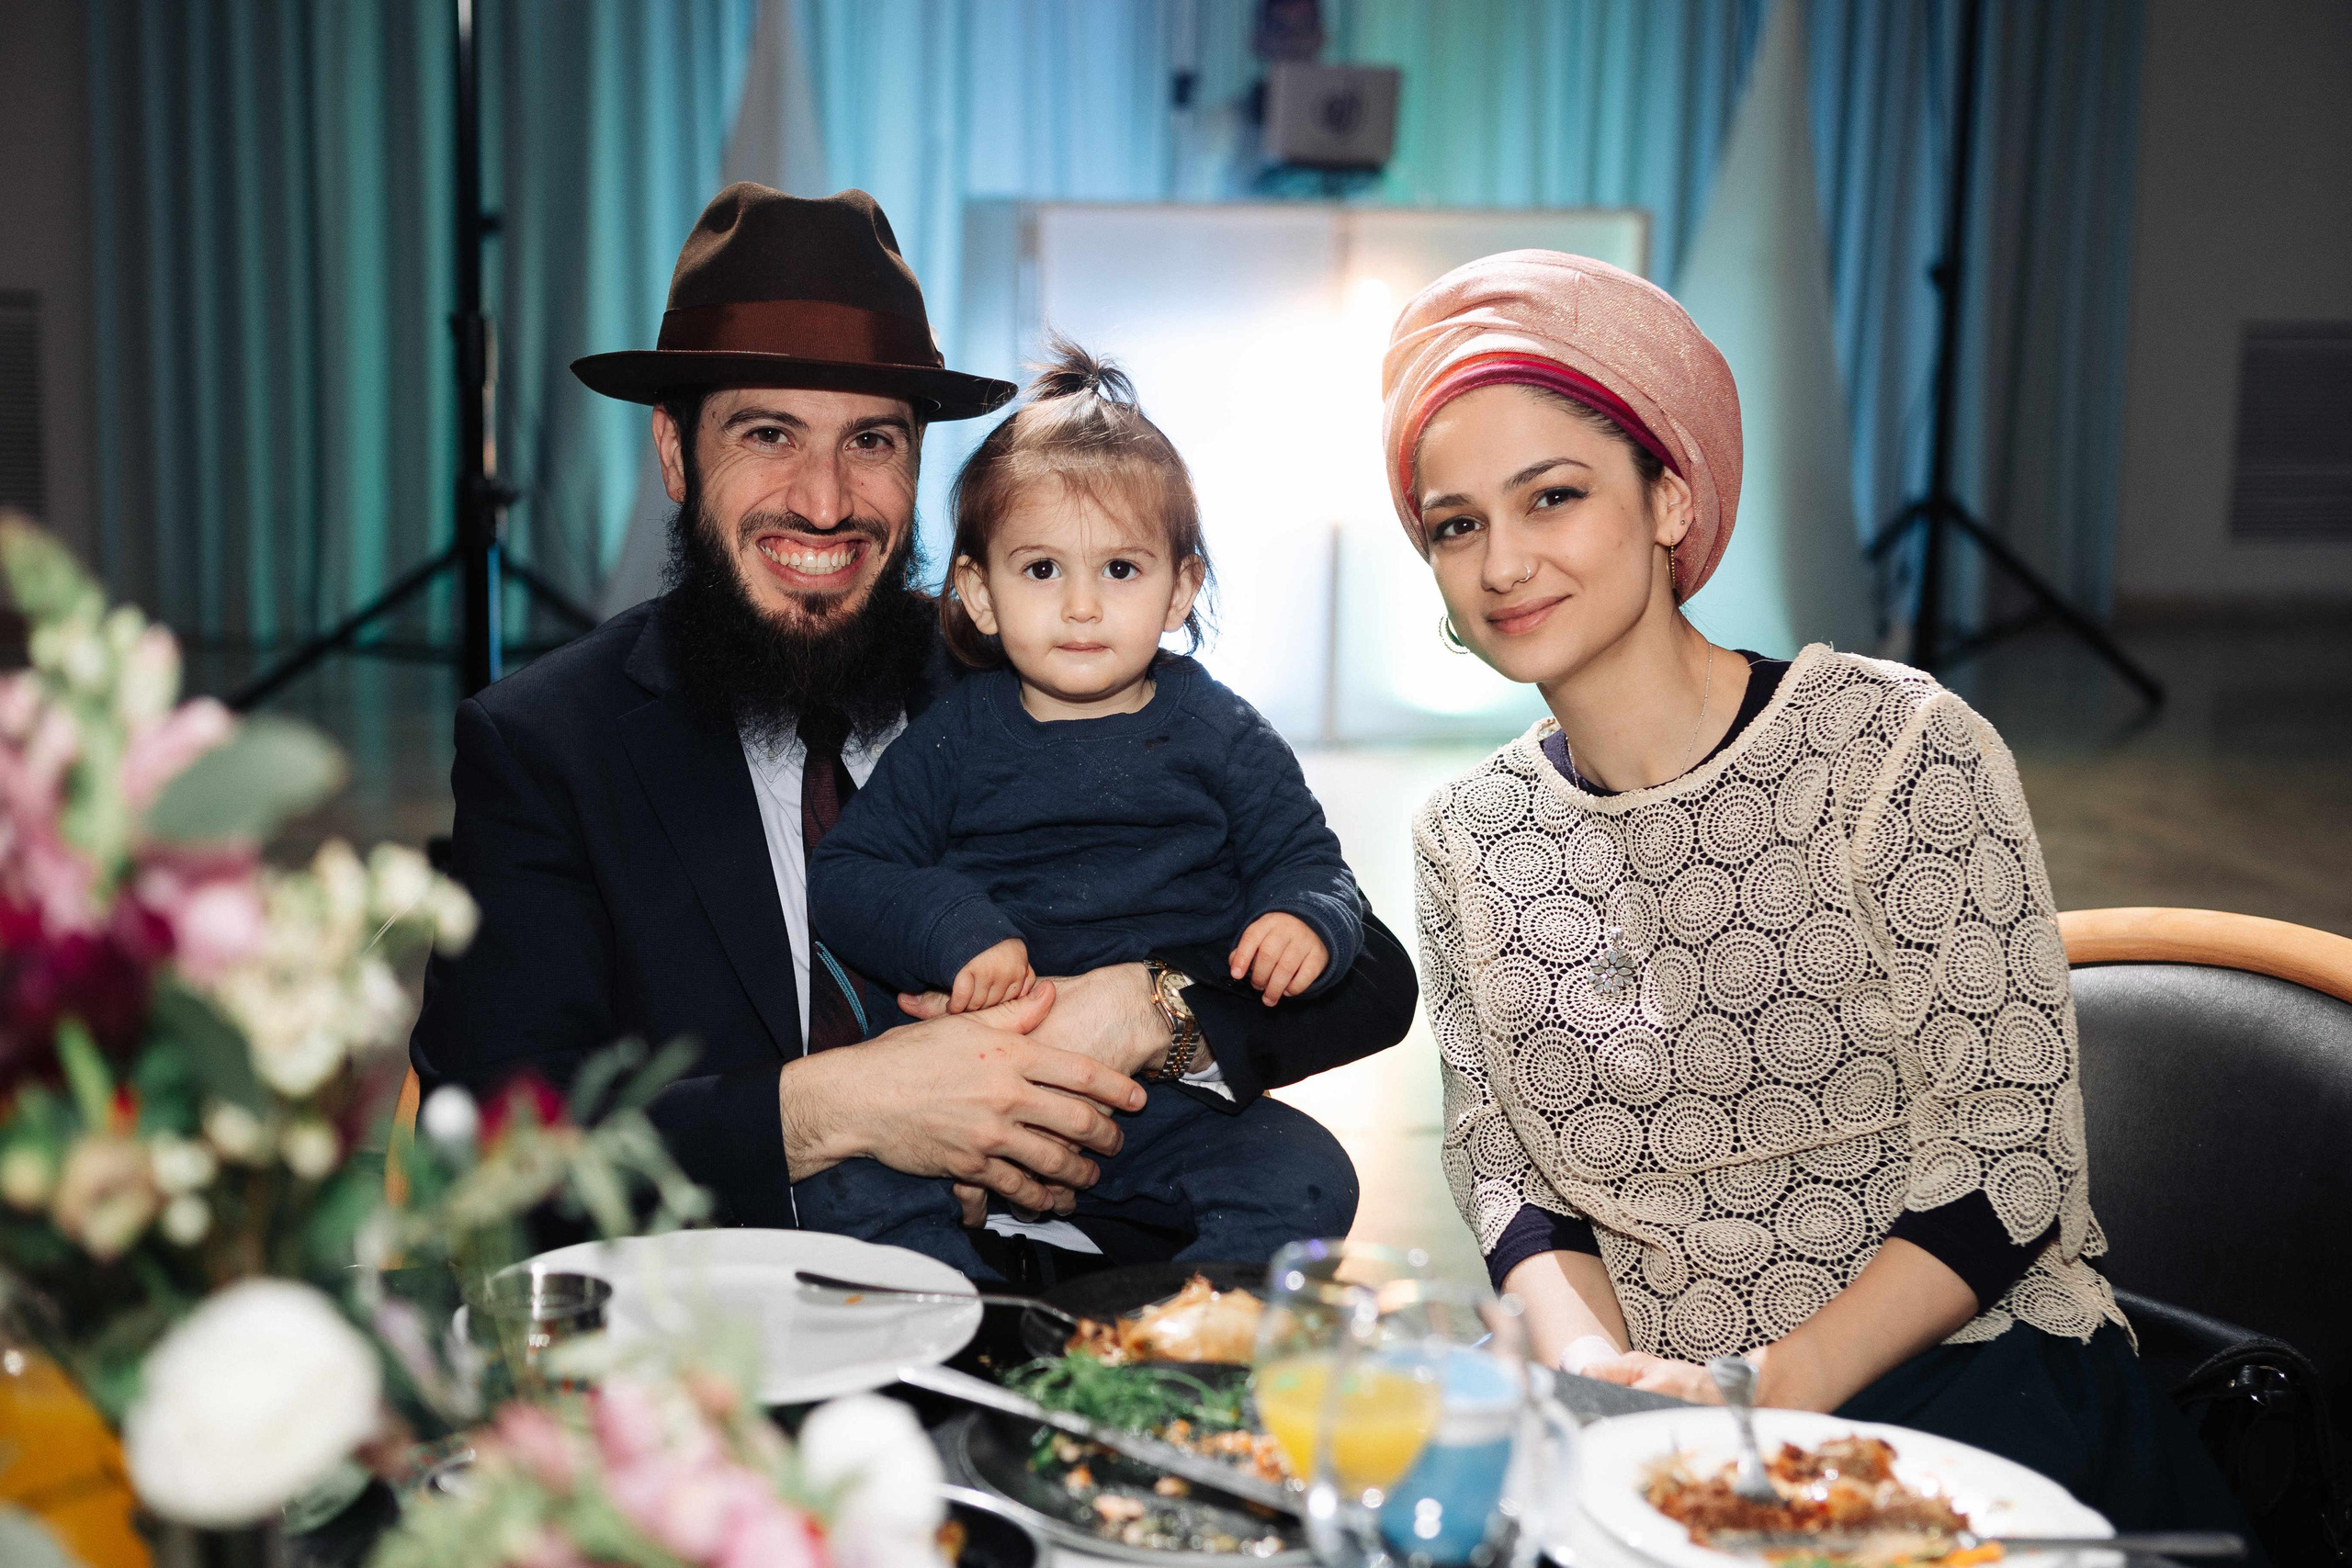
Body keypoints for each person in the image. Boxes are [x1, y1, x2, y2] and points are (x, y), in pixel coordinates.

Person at [1386, 250, 2256, 1540]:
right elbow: (1511, 1177)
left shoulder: (1894, 749)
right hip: (1659, 1416)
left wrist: (1759, 1395)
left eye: (1552, 496)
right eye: (1457, 524)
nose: (1504, 563)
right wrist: (1608, 1388)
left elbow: (2011, 1159)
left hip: (1958, 1381)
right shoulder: (1468, 834)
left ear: (1671, 497)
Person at [407, 184, 1417, 1279]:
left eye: (872, 440)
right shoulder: (551, 744)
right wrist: (834, 1108)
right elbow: (490, 1137)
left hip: (1095, 1275)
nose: (825, 500)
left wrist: (1150, 1011)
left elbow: (1369, 976)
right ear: (675, 452)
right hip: (745, 1317)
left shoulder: (1030, 664)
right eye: (767, 433)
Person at [801, 342, 1363, 1273]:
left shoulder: (1223, 734)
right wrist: (957, 931)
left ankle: (1187, 1333)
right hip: (976, 1093)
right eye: (1041, 571)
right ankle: (965, 1322)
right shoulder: (954, 737)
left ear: (1181, 588)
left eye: (1120, 570)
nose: (1081, 608)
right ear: (979, 593)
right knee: (844, 1189)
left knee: (1307, 1175)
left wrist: (1304, 918)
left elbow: (1312, 864)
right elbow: (849, 874)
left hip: (1164, 1103)